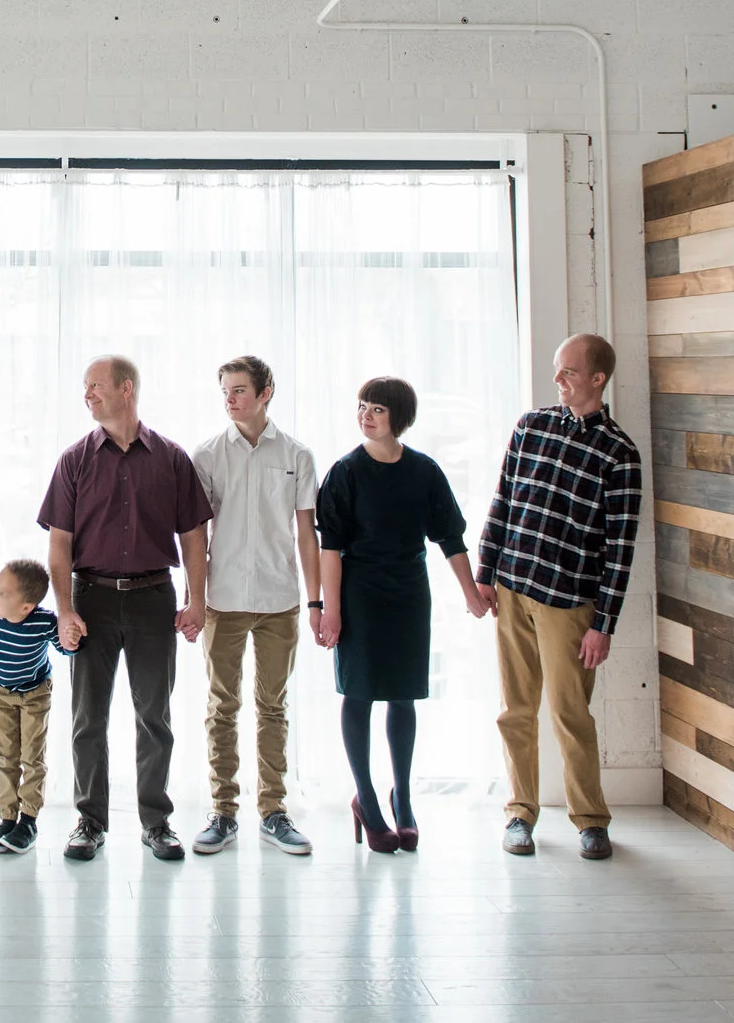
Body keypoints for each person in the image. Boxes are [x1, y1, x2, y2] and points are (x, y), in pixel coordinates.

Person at [475, 332, 642, 862]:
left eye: (568, 372)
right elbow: (503, 498)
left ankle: (591, 820)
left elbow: (620, 548)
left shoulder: (620, 454)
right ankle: (519, 813)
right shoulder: (531, 426)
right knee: (514, 710)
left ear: (597, 378)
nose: (558, 380)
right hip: (513, 587)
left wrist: (604, 624)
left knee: (571, 714)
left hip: (570, 605)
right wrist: (486, 569)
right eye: (556, 370)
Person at [40, 355, 212, 864]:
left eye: (95, 385)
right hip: (89, 597)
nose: (87, 395)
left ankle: (156, 823)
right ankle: (89, 822)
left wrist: (196, 600)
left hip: (153, 597)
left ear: (126, 389)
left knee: (153, 717)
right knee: (86, 718)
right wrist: (65, 611)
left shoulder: (172, 458)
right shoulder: (74, 460)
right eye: (84, 386)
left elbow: (194, 535)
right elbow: (59, 544)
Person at [313, 376, 487, 855]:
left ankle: (403, 798)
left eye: (377, 410)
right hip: (360, 592)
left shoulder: (424, 471)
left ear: (399, 418)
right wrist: (331, 609)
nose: (365, 416)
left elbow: (449, 538)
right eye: (362, 406)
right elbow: (330, 546)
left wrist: (471, 594)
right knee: (360, 692)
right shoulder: (345, 471)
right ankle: (366, 799)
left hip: (410, 592)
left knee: (404, 695)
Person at [190, 354, 320, 858]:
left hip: (278, 600)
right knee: (222, 707)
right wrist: (195, 600)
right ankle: (223, 812)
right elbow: (195, 535)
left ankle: (273, 811)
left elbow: (306, 534)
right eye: (225, 390)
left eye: (240, 390)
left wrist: (315, 601)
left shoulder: (297, 455)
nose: (230, 399)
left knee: (273, 707)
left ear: (266, 393)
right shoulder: (206, 455)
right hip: (222, 600)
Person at [0, 557, 63, 856]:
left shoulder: (44, 621)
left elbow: (64, 647)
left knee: (33, 757)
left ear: (26, 607)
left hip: (35, 694)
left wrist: (73, 638)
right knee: (5, 756)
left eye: (4, 593)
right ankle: (7, 818)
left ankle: (28, 820)